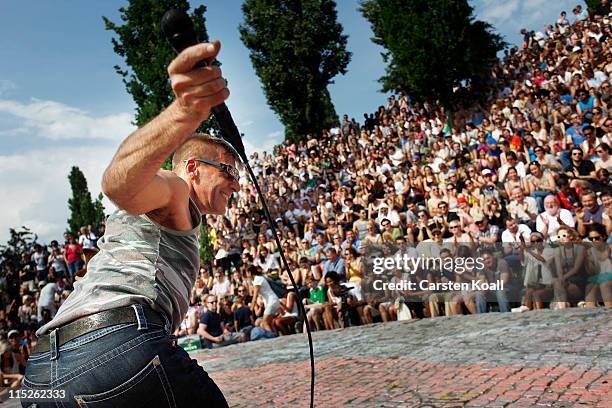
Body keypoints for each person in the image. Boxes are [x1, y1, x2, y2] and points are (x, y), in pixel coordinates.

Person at [24, 41, 234, 407]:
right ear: (191, 167)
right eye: (227, 170)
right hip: (112, 348)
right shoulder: (175, 188)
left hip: (41, 374)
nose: (236, 183)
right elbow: (117, 184)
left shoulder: (172, 208)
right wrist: (183, 113)